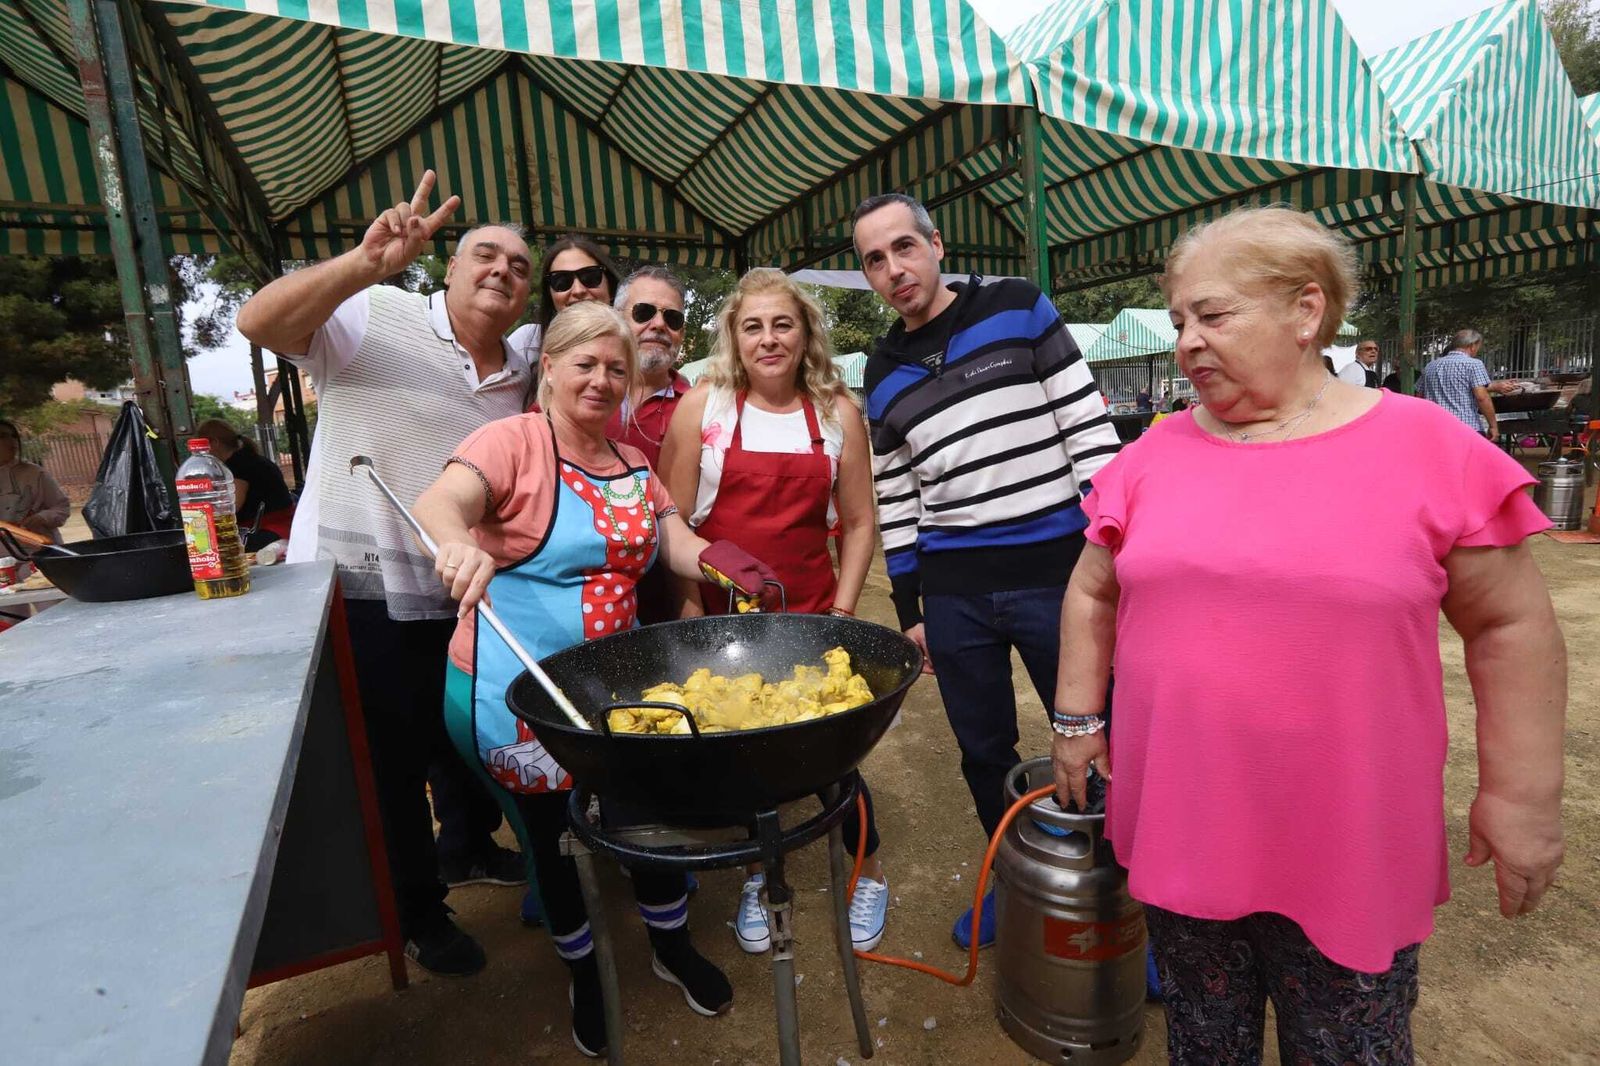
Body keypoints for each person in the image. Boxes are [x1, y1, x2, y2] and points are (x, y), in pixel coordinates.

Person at [1051, 206, 1566, 1064]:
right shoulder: (1150, 453)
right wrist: (1076, 720)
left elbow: (1511, 627)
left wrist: (1521, 798)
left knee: (1347, 1047)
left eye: (1212, 316)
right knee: (1204, 1040)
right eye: (1181, 320)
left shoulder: (1425, 444)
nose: (1187, 343)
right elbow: (1091, 587)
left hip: (1349, 835)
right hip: (1185, 820)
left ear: (1306, 309)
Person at [414, 302, 779, 1058]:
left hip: (616, 686)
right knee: (552, 844)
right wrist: (455, 545)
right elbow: (441, 499)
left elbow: (671, 536)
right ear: (548, 368)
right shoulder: (510, 439)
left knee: (649, 818)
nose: (602, 380)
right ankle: (583, 970)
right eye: (585, 363)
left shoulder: (630, 463)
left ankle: (669, 947)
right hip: (517, 693)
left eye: (615, 368)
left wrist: (717, 559)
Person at [235, 171, 533, 976]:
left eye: (518, 264)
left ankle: (468, 850)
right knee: (391, 762)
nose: (502, 269)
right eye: (485, 255)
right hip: (359, 591)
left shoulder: (523, 368)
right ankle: (418, 913)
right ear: (449, 268)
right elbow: (257, 320)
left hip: (460, 586)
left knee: (464, 738)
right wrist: (364, 264)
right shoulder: (375, 313)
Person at [850, 193, 1121, 948]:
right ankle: (1009, 879)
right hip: (956, 594)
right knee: (982, 752)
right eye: (875, 259)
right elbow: (898, 496)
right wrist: (911, 607)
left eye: (904, 246)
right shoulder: (881, 368)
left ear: (936, 243)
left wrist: (1110, 554)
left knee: (1102, 732)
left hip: (1058, 576)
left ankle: (1129, 901)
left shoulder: (1019, 308)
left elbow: (1089, 432)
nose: (894, 268)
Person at [658, 269, 889, 953]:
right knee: (748, 759)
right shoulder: (703, 408)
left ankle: (867, 872)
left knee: (837, 756)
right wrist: (691, 609)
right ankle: (762, 874)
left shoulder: (837, 413)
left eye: (782, 324)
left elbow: (858, 521)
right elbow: (670, 519)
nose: (768, 339)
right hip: (725, 624)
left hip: (813, 611)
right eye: (752, 325)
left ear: (805, 332)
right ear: (733, 335)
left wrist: (842, 611)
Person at [508, 235, 621, 370]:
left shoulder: (634, 343)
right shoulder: (528, 343)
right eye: (561, 281)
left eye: (590, 277)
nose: (578, 290)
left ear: (610, 285)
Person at [193, 419, 296, 550]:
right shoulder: (249, 458)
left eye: (203, 447)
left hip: (272, 531)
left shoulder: (239, 465)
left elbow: (232, 506)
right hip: (281, 527)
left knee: (205, 546)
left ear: (214, 443)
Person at [0, 419, 70, 546]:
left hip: (38, 553)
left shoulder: (35, 473)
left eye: (14, 436)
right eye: (3, 436)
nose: (12, 441)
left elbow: (62, 507)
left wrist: (42, 517)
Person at [1418, 329, 1498, 439]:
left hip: (1435, 428)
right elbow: (1481, 397)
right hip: (1467, 427)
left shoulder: (1430, 366)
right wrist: (1493, 426)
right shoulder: (1474, 364)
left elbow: (1419, 397)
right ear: (1472, 345)